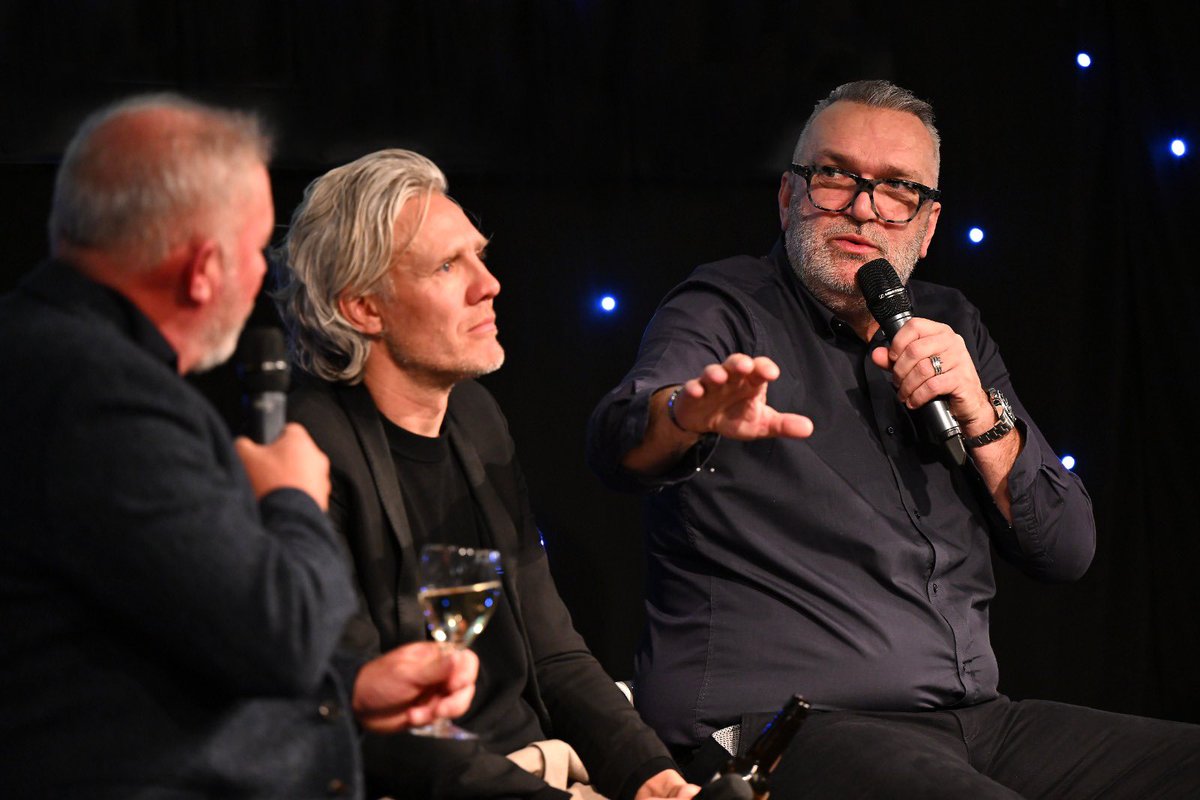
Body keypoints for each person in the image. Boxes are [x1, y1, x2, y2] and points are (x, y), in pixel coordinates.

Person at [586, 79, 1200, 797]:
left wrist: (983, 418)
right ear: (789, 196)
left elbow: (1067, 549)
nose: (864, 208)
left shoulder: (950, 324)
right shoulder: (727, 306)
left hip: (974, 722)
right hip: (781, 725)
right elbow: (617, 443)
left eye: (898, 189)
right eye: (836, 176)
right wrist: (687, 417)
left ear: (928, 225)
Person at [0, 95, 477, 798]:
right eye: (256, 252)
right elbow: (281, 639)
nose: (262, 278)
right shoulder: (102, 396)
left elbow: (161, 622)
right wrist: (292, 497)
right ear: (201, 270)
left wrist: (348, 688)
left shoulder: (42, 351)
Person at [276, 148, 699, 800]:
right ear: (364, 308)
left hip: (536, 765)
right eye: (448, 265)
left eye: (478, 253)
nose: (488, 283)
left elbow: (555, 653)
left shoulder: (477, 418)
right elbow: (367, 718)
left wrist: (652, 776)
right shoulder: (306, 450)